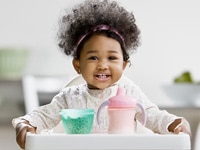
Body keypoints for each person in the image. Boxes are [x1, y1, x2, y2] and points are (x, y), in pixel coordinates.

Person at [12, 0, 191, 149]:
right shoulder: (69, 98)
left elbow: (154, 116)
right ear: (77, 65)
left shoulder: (130, 93)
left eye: (112, 57)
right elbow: (43, 116)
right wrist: (25, 124)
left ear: (124, 64)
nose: (103, 65)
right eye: (93, 57)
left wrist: (174, 123)